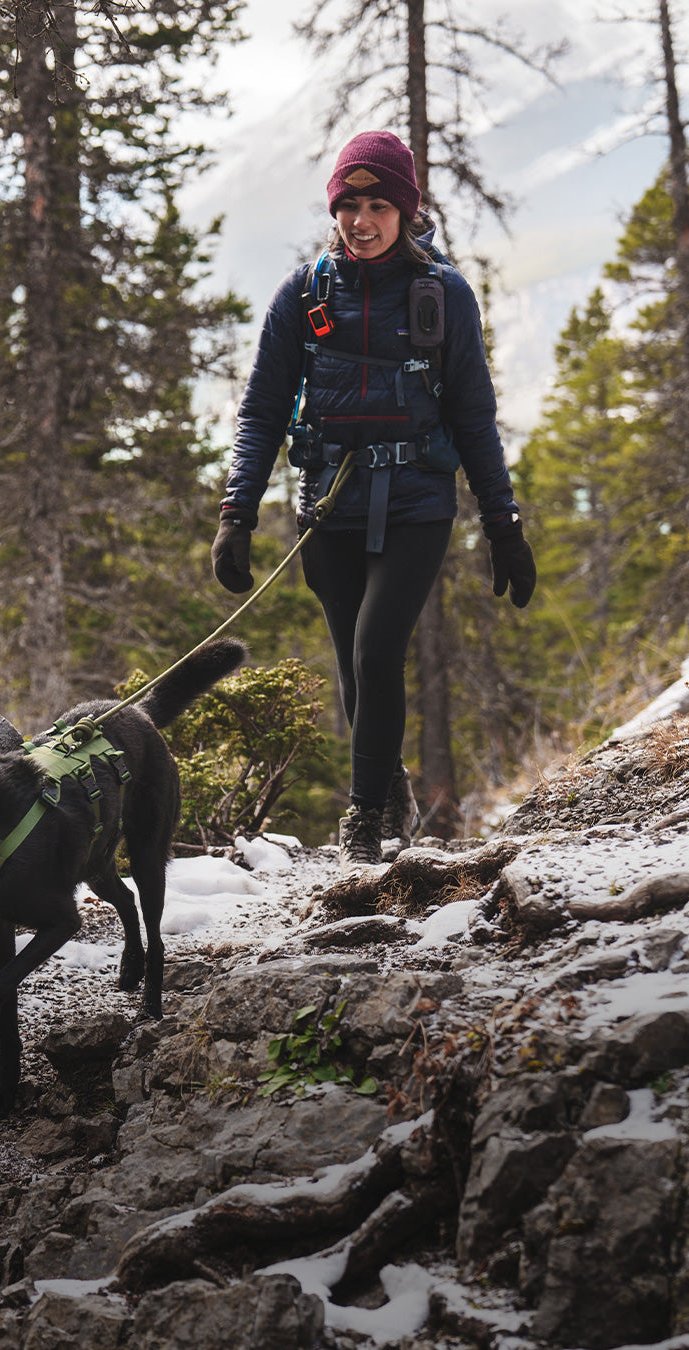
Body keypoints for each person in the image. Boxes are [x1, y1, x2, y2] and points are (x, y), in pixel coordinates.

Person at [211, 130, 535, 873]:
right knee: (357, 671)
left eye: (378, 204)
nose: (362, 220)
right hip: (329, 505)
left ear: (406, 209)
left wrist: (503, 523)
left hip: (419, 500)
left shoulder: (442, 294)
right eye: (349, 204)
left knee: (376, 647)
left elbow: (474, 416)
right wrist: (236, 513)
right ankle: (389, 788)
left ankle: (362, 824)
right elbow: (261, 411)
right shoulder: (304, 294)